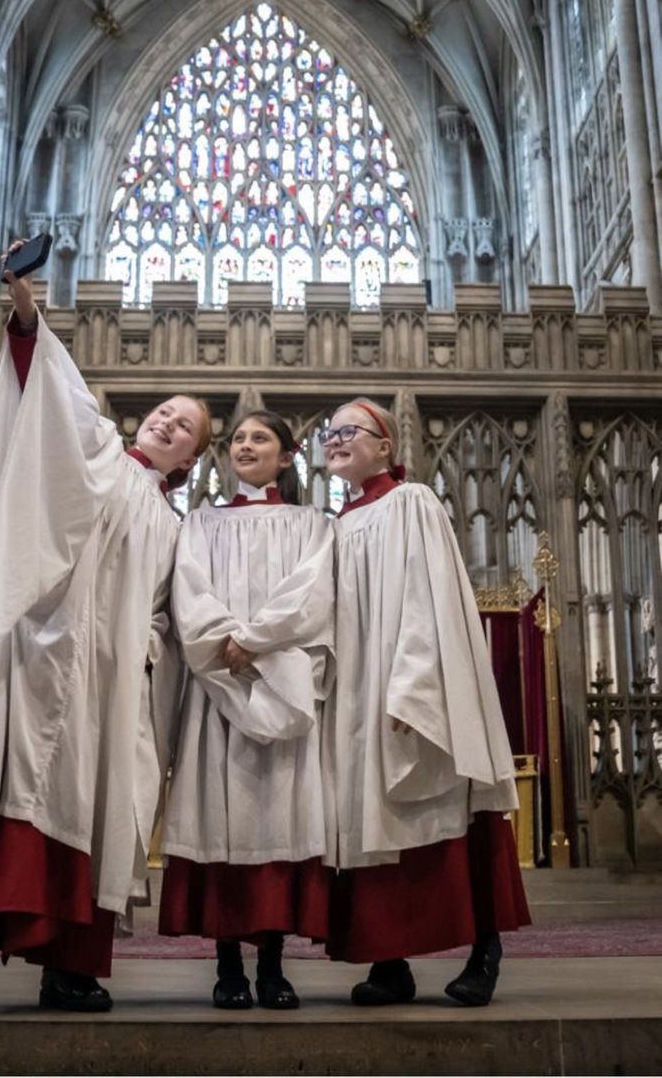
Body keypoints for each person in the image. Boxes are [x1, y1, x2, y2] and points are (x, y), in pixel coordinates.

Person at [0, 245, 212, 1019]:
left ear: (190, 462)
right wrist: (23, 305)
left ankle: (67, 968)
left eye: (186, 426)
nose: (170, 421)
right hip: (36, 647)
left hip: (106, 685)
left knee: (86, 809)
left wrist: (142, 659)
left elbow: (172, 619)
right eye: (167, 410)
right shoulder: (98, 448)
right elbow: (49, 379)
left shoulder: (175, 525)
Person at [321, 398, 530, 1007]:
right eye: (328, 433)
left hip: (407, 685)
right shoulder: (339, 522)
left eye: (348, 431)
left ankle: (484, 948)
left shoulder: (410, 503)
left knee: (445, 802)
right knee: (374, 814)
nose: (334, 440)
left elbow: (427, 597)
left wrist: (412, 685)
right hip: (356, 696)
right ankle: (390, 963)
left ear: (385, 445)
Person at [158, 410, 335, 1010]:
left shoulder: (312, 523)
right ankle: (228, 965)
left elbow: (312, 594)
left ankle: (274, 965)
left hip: (279, 683)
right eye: (237, 439)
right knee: (221, 820)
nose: (245, 446)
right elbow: (190, 594)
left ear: (287, 457)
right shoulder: (200, 523)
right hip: (217, 690)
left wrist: (254, 643)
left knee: (277, 820)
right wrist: (225, 647)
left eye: (260, 438)